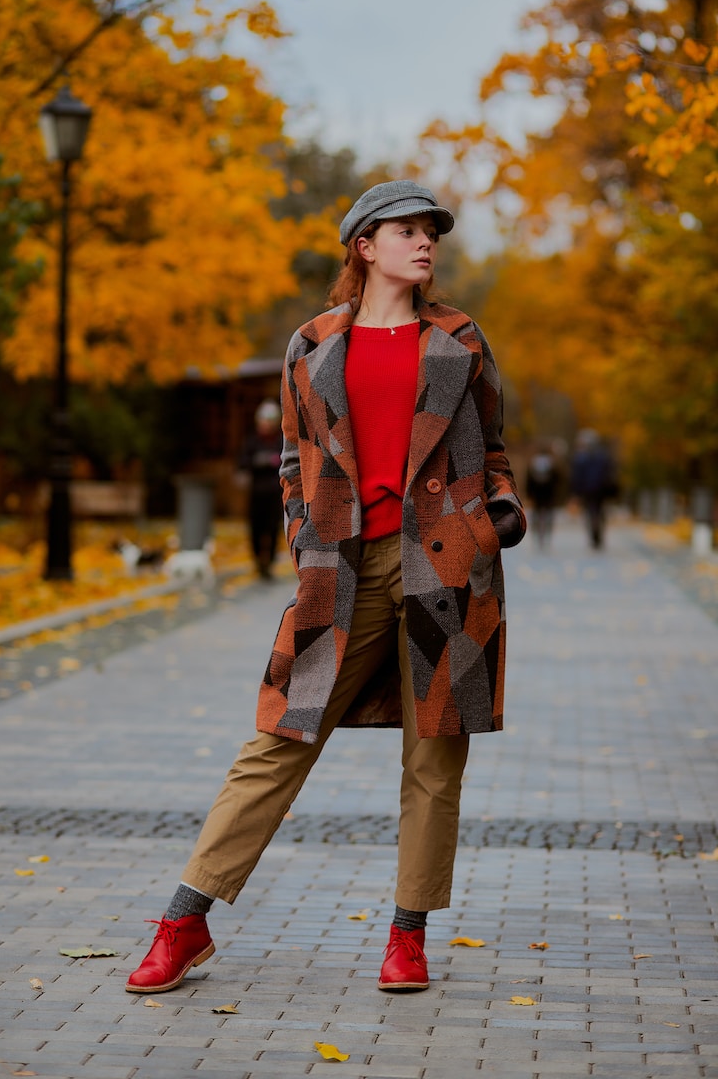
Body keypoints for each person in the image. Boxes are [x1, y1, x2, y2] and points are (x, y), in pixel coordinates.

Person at [125, 180, 526, 996]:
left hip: (446, 563)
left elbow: (494, 450)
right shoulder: (310, 345)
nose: (425, 245)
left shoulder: (459, 339)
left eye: (431, 234)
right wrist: (304, 536)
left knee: (434, 753)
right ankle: (184, 919)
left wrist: (498, 518)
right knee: (277, 739)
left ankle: (407, 937)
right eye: (407, 232)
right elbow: (291, 460)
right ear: (364, 247)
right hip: (338, 569)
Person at [239, 399, 283, 579]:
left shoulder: (281, 441)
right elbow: (243, 464)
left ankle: (269, 562)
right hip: (256, 493)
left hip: (275, 493)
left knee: (273, 528)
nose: (266, 425)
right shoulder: (252, 442)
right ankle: (258, 560)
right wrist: (259, 462)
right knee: (256, 528)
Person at [570, 428, 617, 549]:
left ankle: (594, 532)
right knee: (599, 511)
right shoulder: (603, 455)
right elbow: (610, 472)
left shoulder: (581, 457)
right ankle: (598, 532)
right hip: (600, 489)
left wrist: (576, 492)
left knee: (591, 512)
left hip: (588, 489)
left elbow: (577, 476)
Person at [526, 442, 563, 550]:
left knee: (537, 515)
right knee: (548, 516)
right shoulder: (552, 464)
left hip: (537, 494)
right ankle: (547, 534)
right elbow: (558, 479)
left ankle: (537, 536)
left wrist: (529, 493)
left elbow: (529, 481)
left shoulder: (533, 463)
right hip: (549, 494)